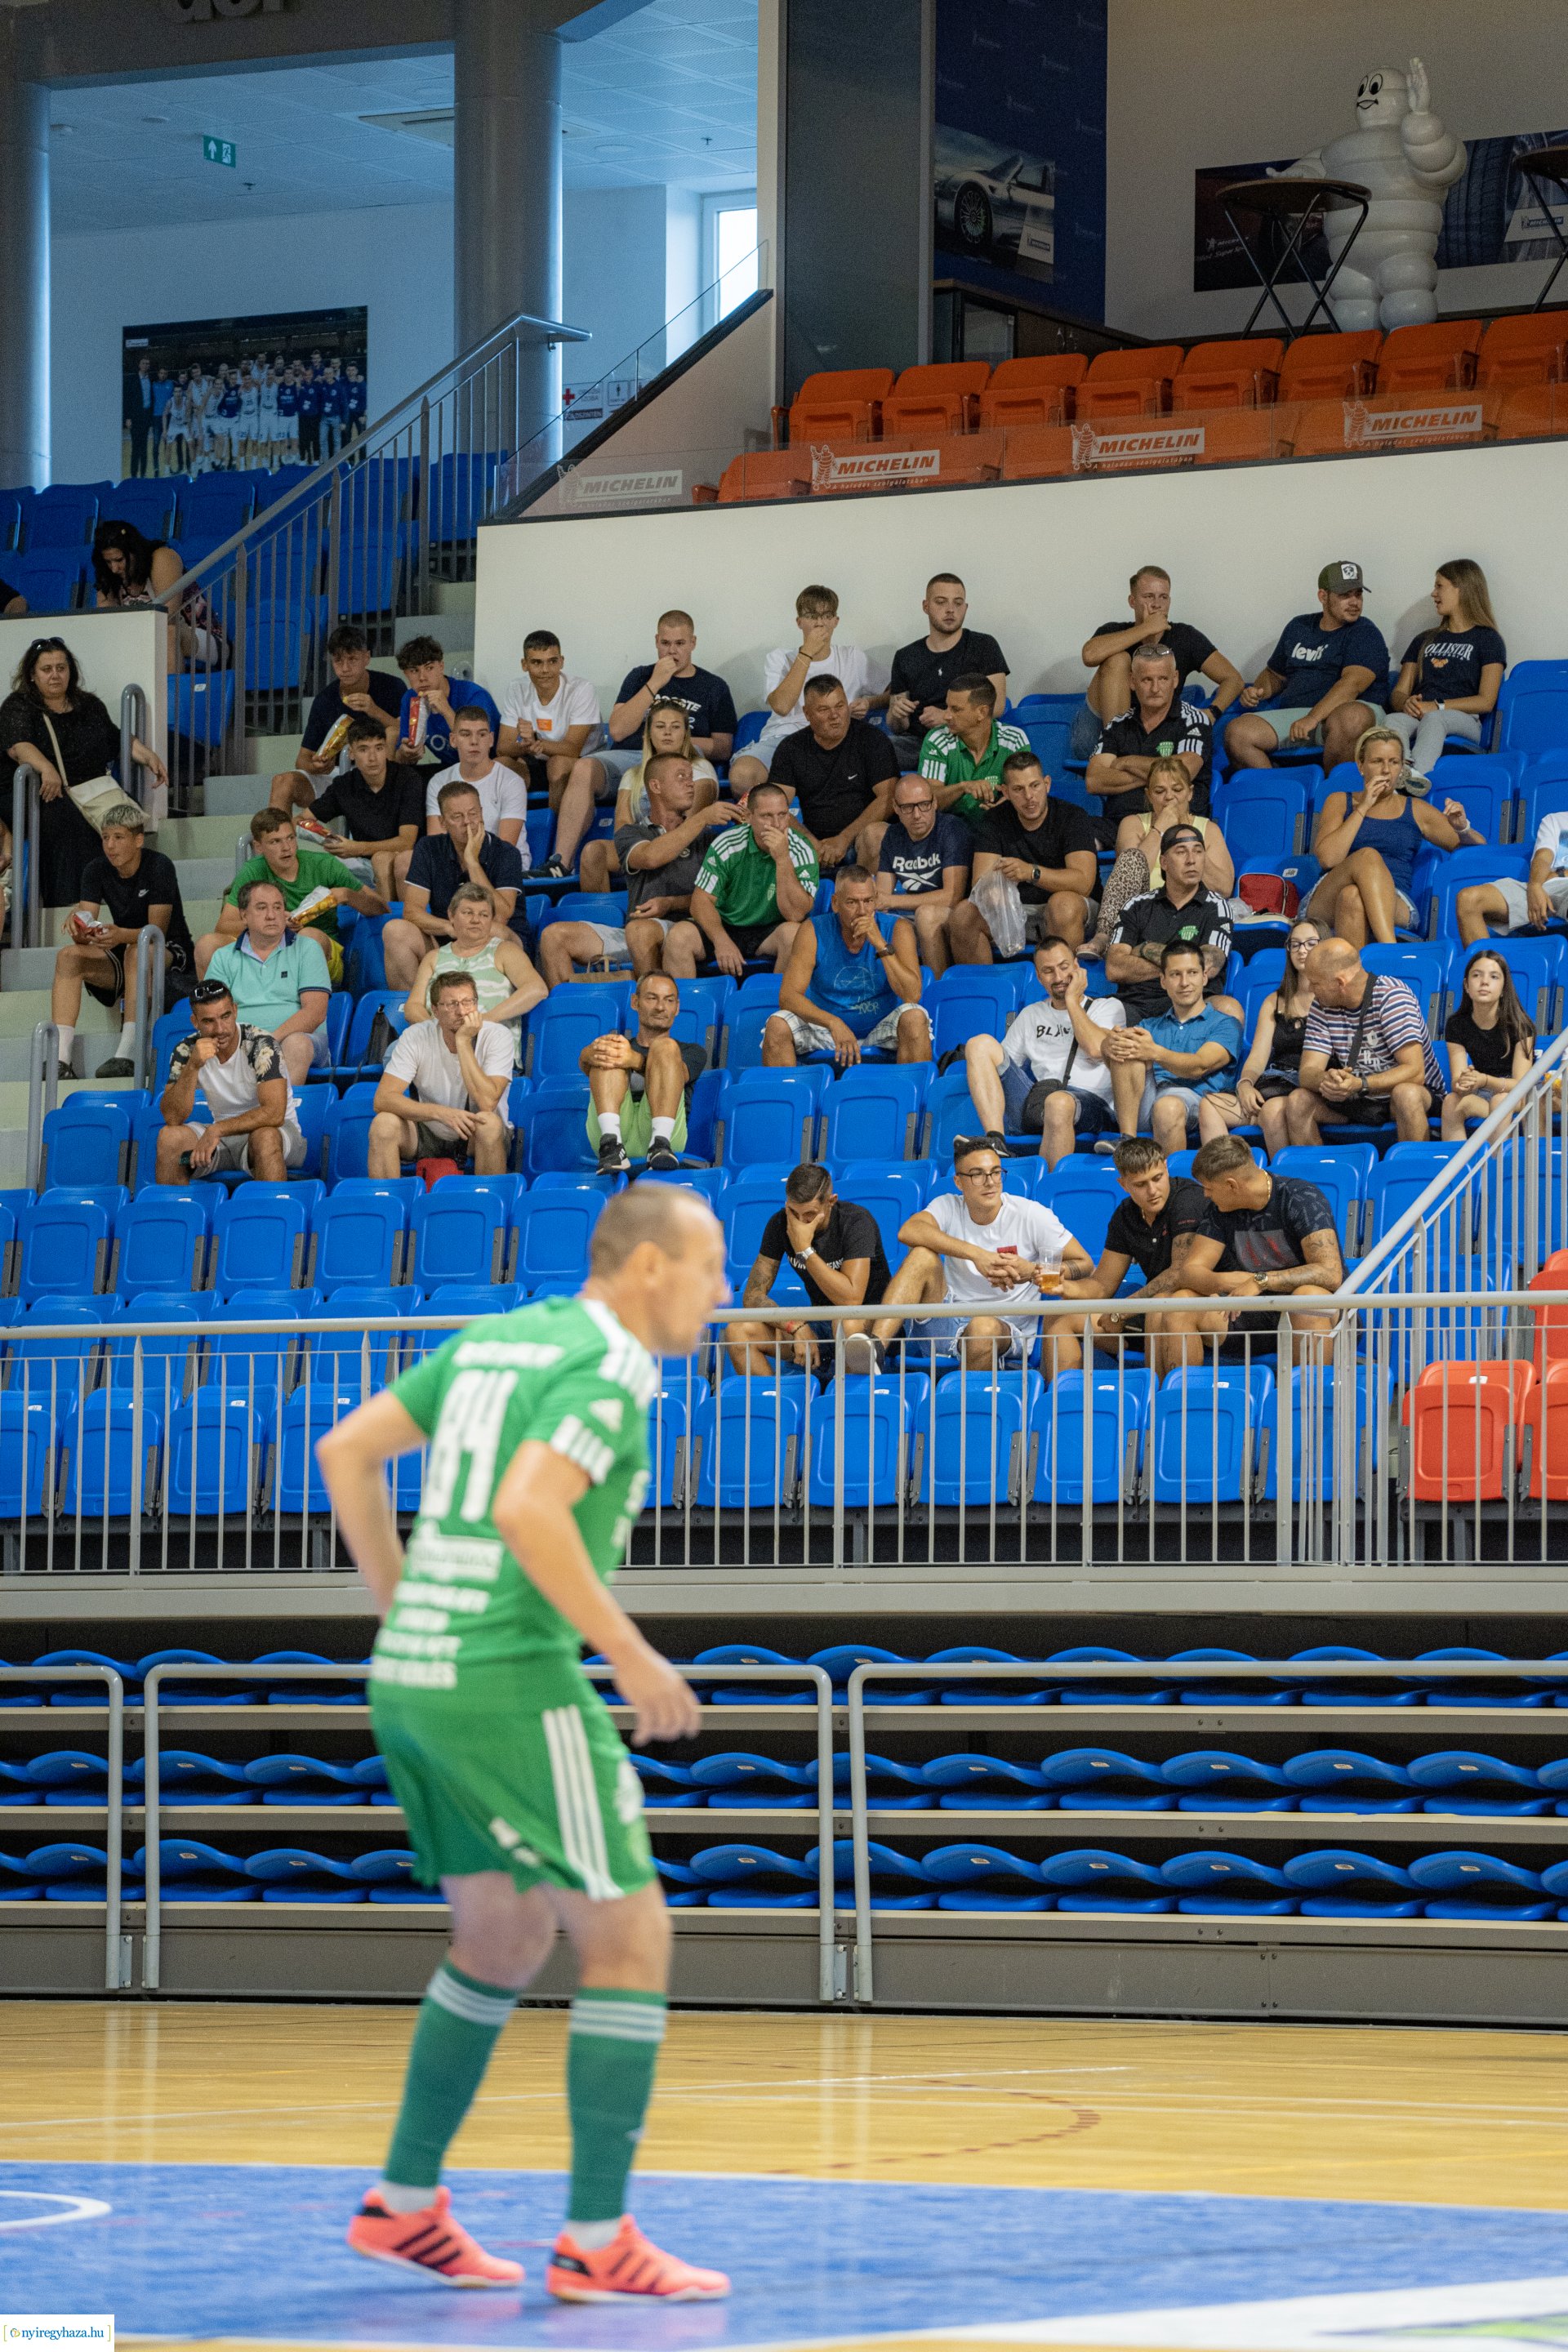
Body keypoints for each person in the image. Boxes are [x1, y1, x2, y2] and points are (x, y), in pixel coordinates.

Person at [318, 1185, 731, 2302]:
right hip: (508, 1678)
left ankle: (403, 2205)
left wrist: (404, 1608)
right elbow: (529, 1512)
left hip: (411, 1676)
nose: (723, 1291)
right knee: (630, 1934)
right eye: (711, 1267)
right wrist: (632, 1655)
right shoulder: (610, 1369)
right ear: (649, 1267)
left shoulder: (497, 1338)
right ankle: (598, 2238)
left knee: (502, 1940)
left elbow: (346, 1450)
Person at [872, 1135, 1093, 1374]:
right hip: (948, 1317)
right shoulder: (947, 1205)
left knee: (982, 1327)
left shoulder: (1031, 1215)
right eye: (978, 1174)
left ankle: (971, 1409)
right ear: (959, 1182)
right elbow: (909, 1231)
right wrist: (978, 1255)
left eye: (996, 1172)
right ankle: (874, 1351)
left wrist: (1033, 1272)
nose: (990, 1182)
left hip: (1006, 1327)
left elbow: (1085, 1264)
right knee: (922, 1255)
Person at [2, 638, 167, 911]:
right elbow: (19, 747)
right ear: (32, 674)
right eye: (46, 669)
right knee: (68, 822)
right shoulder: (19, 705)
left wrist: (147, 755)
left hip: (91, 791)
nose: (55, 675)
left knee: (124, 819)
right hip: (35, 793)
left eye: (61, 668)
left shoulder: (88, 705)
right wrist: (47, 769)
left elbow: (117, 739)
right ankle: (69, 906)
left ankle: (124, 899)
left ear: (70, 671)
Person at [545, 753, 722, 986]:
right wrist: (699, 820)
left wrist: (670, 903)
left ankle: (655, 1001)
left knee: (640, 930)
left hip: (687, 930)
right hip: (635, 935)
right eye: (681, 777)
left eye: (691, 777)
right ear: (656, 786)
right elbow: (650, 857)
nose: (691, 783)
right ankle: (568, 1015)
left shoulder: (707, 838)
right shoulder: (632, 834)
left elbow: (719, 899)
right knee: (553, 936)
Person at [51, 801, 194, 1080]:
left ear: (138, 840)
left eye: (119, 837)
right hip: (124, 946)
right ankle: (60, 1060)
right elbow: (88, 918)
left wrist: (120, 934)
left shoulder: (159, 866)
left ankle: (128, 1053)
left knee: (137, 950)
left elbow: (157, 930)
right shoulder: (95, 869)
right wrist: (82, 930)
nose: (110, 846)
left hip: (169, 950)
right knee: (69, 956)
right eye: (105, 838)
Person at [1305, 724, 1470, 948]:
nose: (1386, 770)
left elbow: (1473, 849)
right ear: (1361, 766)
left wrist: (1462, 827)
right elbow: (1328, 859)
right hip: (1328, 896)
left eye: (1394, 762)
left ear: (1402, 767)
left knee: (1352, 897)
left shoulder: (1416, 809)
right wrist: (1363, 807)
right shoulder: (1339, 800)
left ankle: (1359, 978)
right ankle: (1390, 951)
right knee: (1366, 858)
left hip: (1395, 899)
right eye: (1377, 761)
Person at [964, 934, 1124, 1165]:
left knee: (1058, 1103)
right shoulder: (1031, 1014)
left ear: (1077, 967)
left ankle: (1049, 1189)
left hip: (1092, 1103)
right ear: (1039, 977)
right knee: (979, 1044)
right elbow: (1002, 1069)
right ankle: (996, 1141)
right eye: (1048, 971)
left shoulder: (1107, 1007)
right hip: (1039, 1098)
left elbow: (1095, 1049)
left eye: (1064, 967)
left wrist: (1071, 1001)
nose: (1058, 977)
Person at [1180, 1135, 1343, 1361]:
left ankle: (1309, 1395)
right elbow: (1190, 1272)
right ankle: (1178, 1394)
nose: (1205, 1194)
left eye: (1208, 1188)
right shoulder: (1219, 1210)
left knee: (1306, 1297)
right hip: (1255, 1312)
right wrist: (1229, 1281)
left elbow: (1330, 1273)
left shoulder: (1299, 1197)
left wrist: (1260, 1280)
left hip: (1318, 1315)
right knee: (1181, 1302)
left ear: (1231, 1185)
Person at [1063, 1138, 1214, 1379]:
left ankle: (1166, 1405)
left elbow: (1179, 1273)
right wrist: (1068, 1288)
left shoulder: (1188, 1198)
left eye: (1157, 1178)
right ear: (1123, 1184)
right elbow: (1103, 1284)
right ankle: (1064, 1408)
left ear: (1166, 1167)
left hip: (1200, 1305)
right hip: (1151, 1306)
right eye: (1141, 1184)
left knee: (1162, 1306)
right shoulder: (1125, 1215)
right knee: (1062, 1317)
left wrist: (1122, 1313)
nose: (1153, 1191)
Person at [726, 1162, 889, 1375]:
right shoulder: (780, 1224)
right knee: (737, 1331)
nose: (801, 1222)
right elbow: (753, 1295)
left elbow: (851, 1300)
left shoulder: (856, 1222)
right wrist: (795, 1326)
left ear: (831, 1202)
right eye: (794, 1213)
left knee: (845, 1323)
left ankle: (846, 1405)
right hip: (819, 1325)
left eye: (810, 1215)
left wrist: (805, 1250)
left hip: (866, 1326)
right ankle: (776, 1405)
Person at [1223, 563, 1389, 772]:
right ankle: (1282, 794)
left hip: (1349, 714)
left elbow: (1352, 684)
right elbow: (1274, 675)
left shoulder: (1365, 632)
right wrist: (1258, 691)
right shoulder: (1299, 627)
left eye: (1358, 594)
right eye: (1345, 595)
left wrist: (1313, 718)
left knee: (1351, 718)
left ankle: (1333, 795)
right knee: (1237, 733)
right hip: (1299, 716)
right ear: (1323, 596)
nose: (1354, 602)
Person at [763, 864, 930, 1067]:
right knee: (777, 1025)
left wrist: (880, 945)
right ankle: (788, 1098)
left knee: (915, 1017)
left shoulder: (898, 929)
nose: (862, 911)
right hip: (827, 1029)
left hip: (881, 1027)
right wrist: (834, 1023)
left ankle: (908, 1096)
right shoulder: (813, 931)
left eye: (868, 901)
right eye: (852, 902)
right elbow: (788, 996)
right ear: (835, 903)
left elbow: (912, 995)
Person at [1074, 565, 1243, 763]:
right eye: (1148, 597)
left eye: (1163, 597)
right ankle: (1118, 749)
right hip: (1095, 735)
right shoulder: (1114, 630)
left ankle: (1129, 759)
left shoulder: (1185, 636)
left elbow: (1233, 679)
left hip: (1152, 736)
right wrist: (1145, 629)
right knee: (1118, 659)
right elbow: (1089, 655)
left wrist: (1213, 712)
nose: (1156, 604)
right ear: (1132, 601)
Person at [1286, 937, 1446, 1145]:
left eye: (1316, 983)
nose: (1311, 989)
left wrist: (1361, 1085)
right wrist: (1328, 1080)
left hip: (1404, 1094)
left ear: (1340, 982)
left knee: (1405, 1094)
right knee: (1298, 1101)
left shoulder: (1392, 997)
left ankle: (1413, 1172)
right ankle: (1318, 1175)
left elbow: (1415, 1072)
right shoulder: (1321, 1005)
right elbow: (1307, 1073)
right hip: (1356, 1096)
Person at [203, 808, 385, 982]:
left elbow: (381, 907)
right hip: (265, 948)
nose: (287, 848)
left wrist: (346, 895)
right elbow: (224, 926)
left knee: (306, 938)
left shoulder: (324, 864)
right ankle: (218, 1008)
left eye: (290, 838)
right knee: (207, 944)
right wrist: (273, 926)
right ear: (258, 847)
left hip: (320, 949)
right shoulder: (253, 870)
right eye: (275, 841)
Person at [948, 749, 1099, 960]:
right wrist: (993, 888)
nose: (1029, 797)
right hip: (1013, 910)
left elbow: (1084, 883)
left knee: (1063, 904)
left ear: (1047, 784)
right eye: (1018, 789)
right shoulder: (993, 821)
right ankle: (985, 990)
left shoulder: (1072, 817)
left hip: (1067, 911)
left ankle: (1067, 986)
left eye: (1035, 786)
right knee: (964, 914)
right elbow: (980, 883)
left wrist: (1031, 872)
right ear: (1006, 792)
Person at [728, 586, 878, 795]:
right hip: (784, 738)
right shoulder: (780, 658)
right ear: (799, 622)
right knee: (743, 775)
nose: (819, 623)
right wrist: (807, 653)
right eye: (811, 616)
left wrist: (871, 703)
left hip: (838, 741)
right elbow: (781, 706)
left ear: (836, 621)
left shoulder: (853, 657)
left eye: (826, 615)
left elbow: (893, 691)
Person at [1198, 917, 1325, 1157]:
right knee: (1209, 1105)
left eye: (1311, 943)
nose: (1302, 951)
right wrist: (1245, 1084)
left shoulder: (1331, 999)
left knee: (1273, 1110)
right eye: (1295, 944)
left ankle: (1288, 1183)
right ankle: (1227, 1179)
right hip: (1274, 1083)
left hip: (1308, 1088)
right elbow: (1257, 1057)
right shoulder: (1273, 1001)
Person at [154, 980, 305, 1183]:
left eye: (225, 1017)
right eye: (209, 1021)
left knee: (265, 1138)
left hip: (277, 1133)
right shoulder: (186, 1050)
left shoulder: (261, 1044)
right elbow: (172, 1117)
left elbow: (274, 1113)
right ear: (195, 1022)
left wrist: (217, 1129)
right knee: (169, 1138)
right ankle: (175, 1212)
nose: (220, 1029)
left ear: (235, 1011)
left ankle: (272, 1213)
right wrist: (193, 1066)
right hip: (223, 1140)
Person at [383, 781, 528, 991]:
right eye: (457, 817)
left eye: (473, 814)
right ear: (442, 822)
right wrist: (450, 928)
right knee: (395, 930)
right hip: (449, 939)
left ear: (482, 813)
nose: (468, 823)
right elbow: (412, 911)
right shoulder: (428, 848)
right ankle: (417, 1011)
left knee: (492, 929)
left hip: (502, 941)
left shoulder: (506, 853)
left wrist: (472, 862)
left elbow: (501, 915)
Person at [1100, 942, 1243, 1154]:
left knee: (1167, 1106)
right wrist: (1108, 1046)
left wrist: (1155, 1052)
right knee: (1128, 1043)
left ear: (1204, 977)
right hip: (1148, 1100)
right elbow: (1118, 1058)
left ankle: (1174, 1182)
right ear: (1163, 981)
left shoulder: (1225, 1024)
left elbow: (1200, 1066)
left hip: (1199, 1101)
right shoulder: (1150, 1026)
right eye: (1175, 975)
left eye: (1192, 973)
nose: (1184, 982)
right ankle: (1127, 1139)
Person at [368, 972, 514, 1177]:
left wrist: (463, 1042)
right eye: (452, 1004)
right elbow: (383, 1099)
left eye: (468, 1002)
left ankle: (487, 1202)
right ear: (435, 1010)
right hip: (427, 1130)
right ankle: (386, 1204)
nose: (461, 1011)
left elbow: (488, 1102)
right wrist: (441, 1113)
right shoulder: (416, 1036)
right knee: (383, 1124)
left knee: (489, 1124)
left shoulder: (497, 1036)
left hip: (474, 1134)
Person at [1086, 755, 1234, 956]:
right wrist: (1161, 829)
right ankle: (1104, 934)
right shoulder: (1133, 823)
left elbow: (1224, 888)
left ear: (1190, 793)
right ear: (1148, 796)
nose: (1169, 798)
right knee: (1131, 857)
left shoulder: (1208, 829)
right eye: (1159, 791)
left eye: (1177, 790)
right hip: (1141, 912)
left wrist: (1186, 835)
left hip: (1191, 909)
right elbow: (1130, 874)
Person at [202, 877, 331, 1087]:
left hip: (299, 1040)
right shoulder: (223, 957)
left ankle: (280, 1116)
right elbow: (212, 1013)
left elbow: (315, 1013)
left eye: (278, 907)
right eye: (261, 908)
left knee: (296, 1045)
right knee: (200, 1048)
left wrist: (267, 1041)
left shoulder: (308, 949)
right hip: (240, 1041)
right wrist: (240, 1042)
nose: (272, 915)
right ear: (244, 915)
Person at [496, 630, 604, 879]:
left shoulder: (581, 689)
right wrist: (525, 745)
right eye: (537, 662)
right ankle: (503, 852)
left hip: (579, 764)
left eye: (552, 661)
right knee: (501, 766)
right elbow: (503, 746)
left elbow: (572, 749)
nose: (545, 669)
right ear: (525, 664)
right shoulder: (516, 688)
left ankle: (558, 856)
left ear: (562, 661)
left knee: (558, 765)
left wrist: (537, 742)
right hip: (536, 759)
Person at [1085, 642, 1215, 846]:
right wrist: (1159, 775)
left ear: (1175, 679)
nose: (1155, 688)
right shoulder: (1118, 725)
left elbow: (1183, 771)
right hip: (1118, 826)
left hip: (1177, 826)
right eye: (1147, 680)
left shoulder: (1194, 720)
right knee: (1072, 837)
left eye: (1163, 679)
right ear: (1132, 682)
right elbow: (1094, 780)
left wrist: (1126, 762)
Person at [1103, 824, 1236, 1024]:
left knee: (1229, 1009)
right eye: (1181, 852)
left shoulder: (1217, 906)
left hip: (1191, 1004)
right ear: (1164, 862)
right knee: (1090, 1012)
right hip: (1136, 1004)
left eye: (1198, 852)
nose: (1192, 860)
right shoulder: (1137, 905)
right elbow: (1115, 968)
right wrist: (1185, 965)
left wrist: (1145, 948)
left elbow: (1208, 965)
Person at [766, 675, 901, 871]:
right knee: (768, 832)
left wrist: (843, 839)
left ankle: (868, 898)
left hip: (859, 840)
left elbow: (888, 796)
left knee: (876, 834)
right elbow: (774, 805)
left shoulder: (872, 740)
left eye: (840, 706)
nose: (834, 715)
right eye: (823, 709)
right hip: (814, 845)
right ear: (807, 713)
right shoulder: (791, 748)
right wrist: (813, 843)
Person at [403, 883, 546, 1068]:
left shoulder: (505, 951)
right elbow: (413, 1007)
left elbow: (537, 989)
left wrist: (482, 1021)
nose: (476, 920)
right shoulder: (434, 958)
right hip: (439, 1048)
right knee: (396, 1052)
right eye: (468, 913)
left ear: (492, 920)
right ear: (451, 916)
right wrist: (439, 1032)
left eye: (484, 915)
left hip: (488, 1046)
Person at [269, 623, 403, 813]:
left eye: (352, 659)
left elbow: (407, 734)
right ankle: (279, 841)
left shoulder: (392, 686)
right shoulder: (324, 700)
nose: (345, 668)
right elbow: (302, 760)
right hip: (338, 776)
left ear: (367, 657)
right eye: (338, 661)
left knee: (391, 736)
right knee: (283, 782)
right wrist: (317, 766)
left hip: (380, 772)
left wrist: (374, 710)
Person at [1388, 559, 1507, 773]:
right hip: (1420, 714)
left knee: (1435, 719)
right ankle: (1399, 777)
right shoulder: (1424, 639)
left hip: (1464, 719)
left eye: (1439, 586)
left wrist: (1437, 706)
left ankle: (1416, 778)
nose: (1434, 594)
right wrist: (1405, 703)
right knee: (1391, 721)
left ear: (1462, 589)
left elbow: (1486, 701)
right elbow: (1398, 692)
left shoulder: (1488, 640)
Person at [599, 612, 737, 794]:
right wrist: (655, 682)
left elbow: (722, 748)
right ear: (657, 641)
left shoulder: (714, 686)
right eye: (665, 643)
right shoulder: (640, 677)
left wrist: (672, 741)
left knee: (693, 777)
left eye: (680, 643)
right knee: (584, 769)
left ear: (692, 643)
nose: (672, 651)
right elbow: (617, 731)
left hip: (684, 758)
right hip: (633, 756)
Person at [582, 971, 705, 1174]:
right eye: (651, 998)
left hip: (665, 1134)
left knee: (665, 1047)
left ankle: (660, 1144)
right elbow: (586, 1061)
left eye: (669, 1000)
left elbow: (678, 1076)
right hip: (613, 1131)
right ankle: (612, 1146)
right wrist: (587, 1054)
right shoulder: (621, 1047)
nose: (660, 1007)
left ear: (677, 1008)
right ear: (635, 1002)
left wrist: (634, 1060)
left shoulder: (693, 1051)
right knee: (609, 1048)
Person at [294, 716, 425, 907]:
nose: (373, 758)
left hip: (405, 860)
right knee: (321, 865)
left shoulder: (408, 779)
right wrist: (325, 837)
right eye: (364, 749)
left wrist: (356, 847)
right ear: (352, 753)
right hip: (362, 862)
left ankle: (388, 922)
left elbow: (406, 842)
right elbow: (301, 819)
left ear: (386, 749)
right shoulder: (344, 785)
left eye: (379, 748)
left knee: (381, 859)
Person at [689, 780, 817, 976]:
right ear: (748, 817)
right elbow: (700, 901)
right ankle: (683, 1005)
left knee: (795, 935)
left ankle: (780, 1004)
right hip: (725, 924)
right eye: (767, 816)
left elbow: (796, 915)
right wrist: (721, 940)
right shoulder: (728, 843)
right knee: (679, 938)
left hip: (770, 930)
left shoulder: (801, 849)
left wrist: (783, 859)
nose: (777, 824)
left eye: (783, 815)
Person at [882, 574, 1009, 768]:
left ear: (966, 608)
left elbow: (997, 706)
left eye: (958, 603)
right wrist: (897, 714)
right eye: (941, 602)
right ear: (926, 606)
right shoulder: (906, 656)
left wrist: (948, 717)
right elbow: (897, 726)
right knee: (873, 750)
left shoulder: (983, 646)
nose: (950, 610)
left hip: (969, 740)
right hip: (920, 743)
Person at [91, 518, 225, 667]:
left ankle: (172, 691)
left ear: (134, 551)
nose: (114, 569)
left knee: (167, 632)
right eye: (108, 562)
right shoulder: (109, 575)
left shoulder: (162, 557)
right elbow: (106, 624)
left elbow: (168, 615)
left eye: (119, 560)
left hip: (201, 637)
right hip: (144, 639)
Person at [875, 773, 972, 976]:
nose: (917, 815)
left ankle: (936, 991)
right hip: (912, 914)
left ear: (935, 803)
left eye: (924, 805)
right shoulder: (893, 836)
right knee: (875, 919)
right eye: (908, 808)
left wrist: (891, 900)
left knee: (926, 915)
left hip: (955, 917)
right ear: (896, 809)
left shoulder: (952, 830)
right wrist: (883, 903)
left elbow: (951, 897)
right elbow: (880, 898)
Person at [1441, 947, 1535, 1139]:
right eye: (1477, 975)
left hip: (1516, 1094)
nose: (1484, 982)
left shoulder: (1520, 1025)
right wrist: (1463, 1083)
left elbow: (1522, 1084)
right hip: (1483, 1093)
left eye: (1494, 977)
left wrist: (1484, 1080)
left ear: (1503, 988)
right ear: (1466, 985)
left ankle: (1494, 1164)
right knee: (1451, 1101)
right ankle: (1459, 1166)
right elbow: (1456, 1081)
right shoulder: (1456, 1024)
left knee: (1500, 1101)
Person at [918, 675, 1031, 828]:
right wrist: (963, 787)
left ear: (982, 712)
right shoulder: (937, 739)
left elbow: (1027, 791)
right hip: (950, 829)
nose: (946, 716)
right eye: (947, 707)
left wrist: (1004, 806)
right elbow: (928, 800)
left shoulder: (1014, 740)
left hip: (1001, 828)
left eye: (955, 709)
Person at [1457, 800, 1568, 942]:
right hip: (1545, 885)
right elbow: (1543, 857)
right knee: (1468, 899)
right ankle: (1487, 964)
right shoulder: (1554, 820)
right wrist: (1534, 886)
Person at [393, 636, 502, 780]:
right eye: (414, 671)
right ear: (406, 674)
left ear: (441, 667)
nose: (422, 678)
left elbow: (480, 746)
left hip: (490, 763)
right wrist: (406, 753)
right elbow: (401, 759)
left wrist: (446, 710)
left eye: (429, 668)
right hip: (452, 768)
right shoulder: (410, 700)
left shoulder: (473, 694)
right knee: (405, 777)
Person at [423, 707, 527, 844]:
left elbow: (505, 851)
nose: (474, 741)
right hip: (455, 861)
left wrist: (471, 862)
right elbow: (436, 843)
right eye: (466, 734)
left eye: (482, 735)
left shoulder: (512, 782)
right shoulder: (438, 782)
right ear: (453, 740)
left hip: (499, 861)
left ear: (491, 739)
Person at [125, 353, 155, 479]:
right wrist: (127, 417)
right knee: (135, 447)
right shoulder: (132, 379)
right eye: (143, 363)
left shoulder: (151, 379)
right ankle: (133, 474)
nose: (145, 365)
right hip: (135, 417)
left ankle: (143, 473)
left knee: (144, 447)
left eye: (147, 364)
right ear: (139, 365)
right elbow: (127, 399)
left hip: (146, 417)